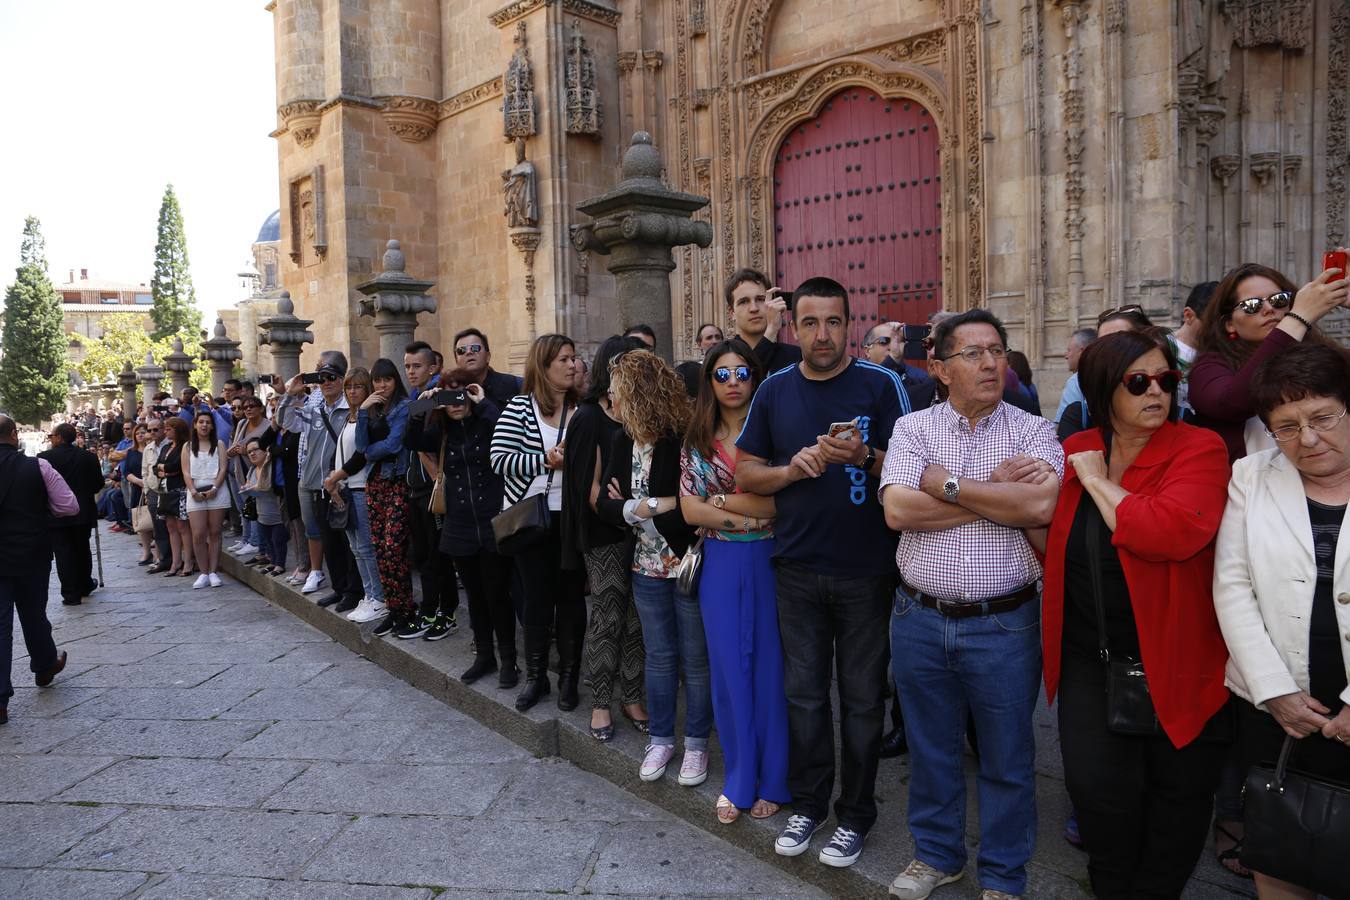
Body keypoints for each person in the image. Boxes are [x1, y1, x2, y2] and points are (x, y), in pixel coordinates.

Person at [1038, 330, 1232, 899]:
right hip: (1089, 661)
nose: (1158, 392)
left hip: (1175, 657)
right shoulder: (1078, 445)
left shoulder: (1198, 448)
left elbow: (1170, 532)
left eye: (1167, 380)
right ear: (1103, 390)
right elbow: (1058, 545)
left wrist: (1097, 481)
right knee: (1098, 799)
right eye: (1139, 382)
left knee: (1176, 805)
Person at [881, 308, 1062, 899]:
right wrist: (998, 492)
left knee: (1008, 757)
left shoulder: (1033, 430)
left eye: (996, 351)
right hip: (919, 617)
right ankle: (937, 855)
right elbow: (899, 512)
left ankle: (1004, 875)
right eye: (973, 353)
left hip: (1005, 623)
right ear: (939, 368)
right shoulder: (913, 431)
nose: (989, 363)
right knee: (932, 750)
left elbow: (1042, 511)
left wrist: (949, 484)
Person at [736, 277, 910, 868]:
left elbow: (912, 472)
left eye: (833, 322)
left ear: (849, 325)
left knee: (862, 701)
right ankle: (809, 803)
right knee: (805, 696)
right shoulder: (775, 391)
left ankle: (855, 814)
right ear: (794, 327)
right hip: (797, 571)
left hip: (867, 573)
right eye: (809, 323)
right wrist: (793, 470)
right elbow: (746, 473)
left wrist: (865, 457)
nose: (822, 334)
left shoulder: (882, 383)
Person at [1213, 343, 1350, 900]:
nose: (1308, 439)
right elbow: (1233, 585)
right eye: (1286, 426)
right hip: (1280, 709)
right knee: (1284, 850)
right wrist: (1273, 692)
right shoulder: (1252, 475)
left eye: (1322, 417)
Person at [679, 341, 789, 824]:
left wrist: (721, 505)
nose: (732, 382)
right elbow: (688, 510)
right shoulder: (696, 440)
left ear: (755, 377)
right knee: (727, 672)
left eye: (741, 372)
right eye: (721, 374)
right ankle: (739, 778)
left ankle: (775, 780)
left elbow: (777, 506)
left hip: (770, 560)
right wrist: (740, 510)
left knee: (769, 670)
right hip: (721, 564)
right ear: (708, 381)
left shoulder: (772, 433)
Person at [596, 350, 707, 785]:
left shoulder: (681, 439)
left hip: (686, 563)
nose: (611, 400)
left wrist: (647, 504)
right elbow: (605, 504)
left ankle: (696, 745)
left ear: (637, 394)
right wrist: (634, 506)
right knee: (659, 659)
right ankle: (661, 739)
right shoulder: (622, 440)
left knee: (696, 662)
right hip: (644, 568)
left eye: (617, 392)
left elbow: (691, 507)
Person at [490, 333, 586, 712]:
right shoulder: (519, 408)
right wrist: (546, 460)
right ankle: (535, 678)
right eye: (563, 358)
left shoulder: (583, 411)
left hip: (573, 520)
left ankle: (568, 680)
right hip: (532, 518)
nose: (571, 364)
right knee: (535, 600)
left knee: (572, 601)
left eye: (573, 358)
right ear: (543, 366)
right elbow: (499, 459)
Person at [561, 335, 650, 740]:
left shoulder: (641, 417)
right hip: (604, 535)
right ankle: (600, 703)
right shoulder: (588, 418)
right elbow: (587, 489)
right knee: (608, 617)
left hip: (644, 534)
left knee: (636, 621)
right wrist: (621, 511)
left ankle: (632, 697)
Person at [408, 368, 518, 680]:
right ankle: (485, 655)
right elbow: (411, 439)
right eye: (449, 395)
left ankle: (509, 659)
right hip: (459, 526)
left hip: (493, 522)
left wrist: (482, 402)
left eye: (461, 394)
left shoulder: (486, 422)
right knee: (475, 595)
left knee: (498, 595)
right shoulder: (440, 431)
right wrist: (423, 404)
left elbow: (506, 429)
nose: (456, 403)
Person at [1190, 260, 1349, 462]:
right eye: (1252, 305)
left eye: (1278, 300)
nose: (1269, 309)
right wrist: (1298, 318)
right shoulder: (1210, 366)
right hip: (1250, 488)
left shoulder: (1322, 356)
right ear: (1229, 324)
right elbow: (1231, 403)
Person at [0, 414, 79, 726]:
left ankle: (1, 701)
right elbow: (68, 506)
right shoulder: (39, 466)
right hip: (32, 552)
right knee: (33, 613)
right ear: (15, 435)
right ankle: (45, 665)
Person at [279, 353, 360, 611]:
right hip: (317, 486)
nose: (327, 382)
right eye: (323, 378)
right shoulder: (314, 410)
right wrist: (290, 394)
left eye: (332, 377)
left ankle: (353, 591)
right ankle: (338, 588)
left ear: (342, 379)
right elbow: (285, 422)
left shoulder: (351, 409)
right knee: (329, 541)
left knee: (348, 543)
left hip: (343, 486)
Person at [355, 358, 414, 636]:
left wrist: (369, 452)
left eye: (387, 379)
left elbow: (393, 445)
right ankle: (393, 609)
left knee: (393, 548)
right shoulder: (373, 409)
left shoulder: (403, 407)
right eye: (377, 380)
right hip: (375, 484)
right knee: (380, 550)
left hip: (397, 482)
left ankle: (406, 608)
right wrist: (364, 411)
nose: (382, 385)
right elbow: (360, 445)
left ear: (395, 380)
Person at [323, 368, 386, 623]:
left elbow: (361, 455)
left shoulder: (369, 417)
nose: (352, 391)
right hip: (346, 489)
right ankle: (370, 595)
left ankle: (379, 598)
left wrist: (335, 478)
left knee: (367, 548)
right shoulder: (350, 417)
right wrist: (336, 483)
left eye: (358, 387)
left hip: (362, 488)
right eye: (349, 387)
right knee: (356, 548)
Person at [402, 339, 455, 636]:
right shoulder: (417, 396)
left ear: (433, 366)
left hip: (432, 488)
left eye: (417, 366)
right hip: (416, 489)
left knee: (437, 557)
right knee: (423, 555)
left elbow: (427, 440)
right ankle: (430, 608)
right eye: (407, 366)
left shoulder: (436, 395)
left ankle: (445, 613)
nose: (411, 371)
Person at [39, 423, 103, 606]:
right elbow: (97, 484)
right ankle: (84, 585)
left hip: (55, 513)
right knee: (82, 548)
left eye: (52, 436)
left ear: (59, 437)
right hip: (82, 511)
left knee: (63, 552)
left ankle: (70, 593)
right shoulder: (88, 457)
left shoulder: (44, 458)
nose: (50, 439)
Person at [183, 410, 229, 589]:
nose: (204, 425)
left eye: (208, 422)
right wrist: (193, 490)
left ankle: (213, 571)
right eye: (201, 422)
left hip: (216, 490)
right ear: (195, 424)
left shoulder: (219, 444)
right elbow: (186, 471)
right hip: (195, 492)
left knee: (215, 532)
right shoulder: (187, 447)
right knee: (198, 533)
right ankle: (203, 572)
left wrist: (215, 487)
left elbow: (223, 469)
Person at [725, 267, 802, 375]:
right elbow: (747, 382)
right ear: (732, 312)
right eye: (743, 302)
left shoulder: (797, 357)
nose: (754, 308)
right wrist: (771, 331)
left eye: (760, 299)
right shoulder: (722, 357)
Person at [227, 394, 275, 561]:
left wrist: (245, 452)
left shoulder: (268, 426)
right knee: (244, 508)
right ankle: (246, 538)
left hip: (258, 472)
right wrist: (232, 451)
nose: (247, 409)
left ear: (261, 408)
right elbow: (234, 446)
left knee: (256, 508)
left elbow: (266, 452)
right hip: (239, 470)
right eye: (245, 407)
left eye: (251, 406)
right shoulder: (242, 423)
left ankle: (255, 542)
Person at [241, 438, 287, 577]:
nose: (252, 453)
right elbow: (248, 484)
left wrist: (254, 488)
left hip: (277, 513)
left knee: (278, 540)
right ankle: (272, 562)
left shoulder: (272, 467)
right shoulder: (252, 470)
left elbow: (270, 486)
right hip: (261, 513)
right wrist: (246, 488)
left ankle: (280, 565)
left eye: (255, 449)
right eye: (249, 451)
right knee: (268, 541)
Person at [157, 416, 195, 578]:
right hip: (165, 490)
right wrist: (165, 470)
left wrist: (164, 469)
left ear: (177, 430)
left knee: (183, 527)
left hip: (180, 490)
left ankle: (188, 561)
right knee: (170, 527)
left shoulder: (184, 447)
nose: (165, 431)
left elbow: (177, 467)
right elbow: (155, 468)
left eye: (168, 429)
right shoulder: (165, 447)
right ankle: (175, 561)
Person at [1171, 280, 1217, 414]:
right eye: (1211, 324)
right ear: (1189, 315)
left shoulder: (1222, 354)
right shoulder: (1160, 348)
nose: (1218, 332)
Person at [452, 328, 523, 408]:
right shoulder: (452, 391)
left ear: (488, 356)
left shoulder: (515, 385)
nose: (469, 352)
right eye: (461, 350)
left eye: (475, 348)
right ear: (456, 361)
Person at [142, 417, 174, 574]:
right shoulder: (148, 449)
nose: (152, 433)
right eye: (149, 430)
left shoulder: (171, 445)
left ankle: (177, 559)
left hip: (169, 490)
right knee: (159, 528)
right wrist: (147, 491)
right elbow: (145, 471)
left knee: (174, 527)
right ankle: (165, 559)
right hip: (153, 491)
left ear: (163, 429)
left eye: (155, 429)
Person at [124, 424, 155, 566]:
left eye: (144, 432)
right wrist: (139, 481)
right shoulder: (131, 452)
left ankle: (159, 552)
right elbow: (127, 472)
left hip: (154, 488)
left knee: (157, 520)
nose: (141, 435)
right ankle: (147, 552)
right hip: (138, 489)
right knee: (142, 521)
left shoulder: (154, 449)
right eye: (138, 433)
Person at [1054, 328, 1098, 426]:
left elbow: (1063, 425)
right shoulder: (1108, 375)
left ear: (1082, 352)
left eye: (1069, 350)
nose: (1066, 356)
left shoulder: (1076, 381)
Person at [677, 322, 727, 396]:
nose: (714, 341)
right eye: (709, 338)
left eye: (717, 337)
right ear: (699, 344)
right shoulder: (693, 371)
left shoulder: (732, 367)